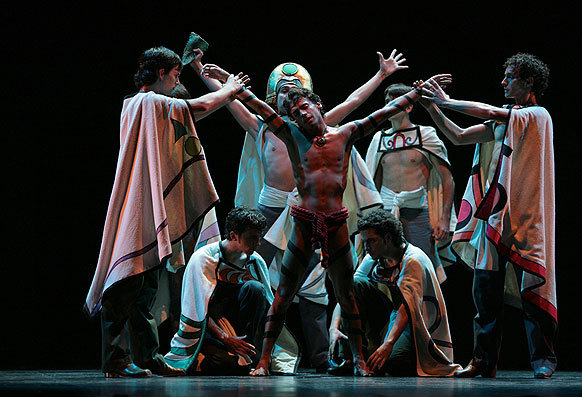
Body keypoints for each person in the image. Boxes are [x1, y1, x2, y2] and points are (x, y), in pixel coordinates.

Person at [189, 46, 401, 372]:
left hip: (309, 211)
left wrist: (381, 75)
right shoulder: (263, 127)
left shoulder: (319, 125)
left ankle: (321, 357)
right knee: (259, 281)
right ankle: (257, 355)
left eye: (296, 93)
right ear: (275, 97)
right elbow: (234, 99)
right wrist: (211, 74)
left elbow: (354, 102)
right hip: (270, 210)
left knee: (316, 283)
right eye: (283, 93)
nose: (291, 100)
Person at [224, 78, 427, 376]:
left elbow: (381, 114)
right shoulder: (291, 136)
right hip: (305, 222)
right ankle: (265, 360)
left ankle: (358, 358)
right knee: (283, 294)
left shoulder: (344, 134)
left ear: (318, 106)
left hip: (336, 223)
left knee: (347, 294)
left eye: (304, 107)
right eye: (294, 112)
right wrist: (235, 89)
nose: (301, 114)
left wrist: (417, 92)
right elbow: (262, 111)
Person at [84, 46, 248, 378]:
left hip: (146, 203)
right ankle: (116, 361)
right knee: (124, 286)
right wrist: (231, 90)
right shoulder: (146, 102)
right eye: (175, 75)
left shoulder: (141, 105)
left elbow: (190, 114)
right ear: (161, 73)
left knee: (143, 290)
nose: (176, 82)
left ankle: (147, 357)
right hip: (138, 206)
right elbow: (198, 106)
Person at [418, 53, 557, 379]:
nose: (503, 81)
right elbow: (459, 136)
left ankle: (543, 360)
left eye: (510, 76)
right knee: (485, 289)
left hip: (526, 216)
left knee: (533, 292)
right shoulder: (504, 121)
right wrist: (433, 108)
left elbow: (492, 111)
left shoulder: (537, 115)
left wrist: (448, 99)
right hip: (496, 216)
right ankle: (484, 360)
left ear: (528, 80)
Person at [164, 206, 300, 375]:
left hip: (237, 332)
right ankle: (219, 356)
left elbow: (269, 308)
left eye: (259, 238)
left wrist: (264, 357)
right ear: (234, 235)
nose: (257, 244)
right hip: (209, 330)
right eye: (252, 238)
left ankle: (245, 351)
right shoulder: (204, 259)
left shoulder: (255, 261)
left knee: (255, 288)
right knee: (221, 362)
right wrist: (224, 338)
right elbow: (197, 309)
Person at [328, 209, 461, 376]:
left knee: (395, 362)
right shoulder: (374, 256)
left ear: (388, 238)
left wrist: (388, 345)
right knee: (355, 283)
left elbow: (407, 308)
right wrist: (334, 327)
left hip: (414, 323)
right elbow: (347, 291)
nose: (366, 247)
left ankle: (376, 353)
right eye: (365, 242)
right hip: (391, 315)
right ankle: (357, 357)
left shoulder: (413, 259)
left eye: (371, 241)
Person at [364, 82, 457, 275]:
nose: (390, 106)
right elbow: (369, 182)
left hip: (419, 212)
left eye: (396, 102)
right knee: (385, 269)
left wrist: (444, 219)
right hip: (386, 213)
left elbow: (447, 179)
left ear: (409, 106)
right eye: (388, 102)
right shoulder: (378, 139)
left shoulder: (425, 135)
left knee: (423, 267)